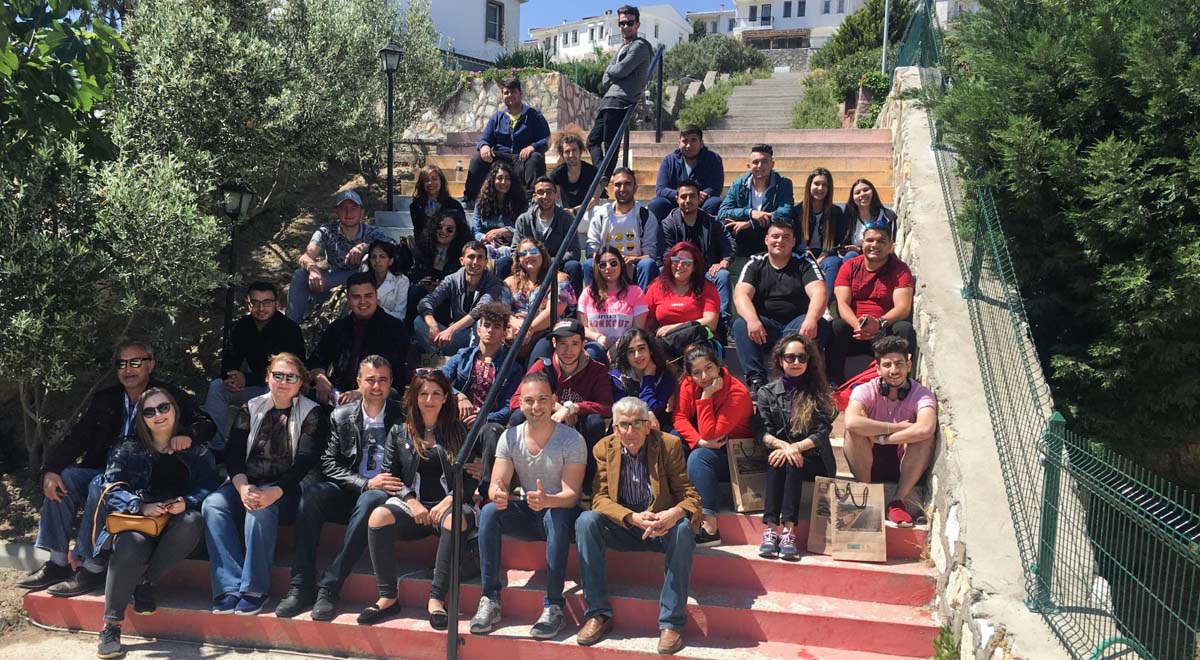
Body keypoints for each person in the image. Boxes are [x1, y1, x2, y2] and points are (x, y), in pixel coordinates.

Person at [19, 340, 215, 597]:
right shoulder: (106, 398)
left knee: (100, 484)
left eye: (135, 362)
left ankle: (92, 567)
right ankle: (57, 562)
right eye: (122, 364)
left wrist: (188, 435)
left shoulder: (167, 397)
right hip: (106, 468)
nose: (128, 369)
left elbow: (207, 424)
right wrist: (51, 469)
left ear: (150, 365)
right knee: (65, 478)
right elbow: (79, 436)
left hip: (143, 476)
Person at [92, 388, 220, 659]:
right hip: (139, 522)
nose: (158, 415)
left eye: (164, 408)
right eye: (149, 411)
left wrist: (187, 501)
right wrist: (139, 506)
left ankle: (145, 582)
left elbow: (210, 484)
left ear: (175, 409)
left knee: (192, 520)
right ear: (141, 418)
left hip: (177, 527)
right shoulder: (127, 448)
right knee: (130, 541)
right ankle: (111, 626)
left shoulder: (196, 450)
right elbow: (110, 487)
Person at [274, 356, 402, 621]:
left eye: (383, 380)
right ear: (358, 382)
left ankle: (330, 587)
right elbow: (328, 463)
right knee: (312, 495)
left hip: (386, 496)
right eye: (370, 380)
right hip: (352, 488)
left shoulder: (402, 416)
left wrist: (379, 486)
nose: (376, 386)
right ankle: (301, 584)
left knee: (371, 499)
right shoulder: (341, 415)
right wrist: (364, 483)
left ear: (391, 383)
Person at [202, 352, 325, 615]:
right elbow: (233, 454)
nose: (283, 382)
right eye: (277, 375)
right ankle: (228, 585)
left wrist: (274, 492)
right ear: (268, 377)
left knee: (260, 508)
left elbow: (304, 462)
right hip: (248, 483)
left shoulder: (311, 413)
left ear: (301, 381)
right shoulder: (250, 407)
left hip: (289, 489)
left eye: (291, 377)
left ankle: (254, 589)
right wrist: (242, 486)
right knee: (213, 505)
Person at [574, 396, 699, 655]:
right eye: (623, 425)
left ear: (648, 425)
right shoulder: (603, 448)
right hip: (624, 525)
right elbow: (599, 498)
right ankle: (598, 613)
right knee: (586, 521)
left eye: (636, 424)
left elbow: (690, 496)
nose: (630, 431)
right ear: (615, 428)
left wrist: (673, 514)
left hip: (659, 526)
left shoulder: (668, 445)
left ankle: (672, 623)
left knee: (683, 529)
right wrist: (631, 517)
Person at [469, 372, 586, 639]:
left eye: (543, 400)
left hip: (562, 514)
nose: (536, 407)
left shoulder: (571, 439)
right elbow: (496, 484)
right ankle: (490, 599)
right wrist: (498, 494)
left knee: (556, 515)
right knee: (489, 512)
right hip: (531, 509)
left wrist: (548, 500)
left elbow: (571, 495)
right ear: (520, 404)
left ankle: (554, 605)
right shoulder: (510, 437)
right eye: (529, 400)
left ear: (554, 401)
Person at [361, 370, 480, 630]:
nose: (429, 400)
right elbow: (391, 475)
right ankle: (387, 597)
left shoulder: (460, 431)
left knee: (454, 520)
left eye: (436, 394)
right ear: (414, 397)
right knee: (378, 515)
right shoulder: (399, 431)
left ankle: (436, 599)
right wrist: (411, 501)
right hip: (412, 505)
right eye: (423, 394)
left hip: (450, 505)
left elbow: (471, 476)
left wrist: (449, 500)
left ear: (445, 397)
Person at [754, 334, 837, 560]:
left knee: (791, 461)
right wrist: (784, 447)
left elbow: (821, 433)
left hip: (814, 457)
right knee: (781, 460)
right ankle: (772, 530)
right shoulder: (767, 392)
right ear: (780, 360)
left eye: (802, 357)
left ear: (809, 361)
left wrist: (796, 448)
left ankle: (788, 531)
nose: (796, 362)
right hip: (781, 454)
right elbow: (762, 431)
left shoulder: (818, 392)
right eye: (790, 357)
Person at [509, 319, 614, 492]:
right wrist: (552, 405)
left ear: (583, 344)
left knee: (594, 422)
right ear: (554, 343)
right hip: (546, 426)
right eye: (563, 344)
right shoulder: (543, 366)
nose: (568, 350)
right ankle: (520, 479)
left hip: (578, 430)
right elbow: (516, 401)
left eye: (574, 344)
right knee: (518, 416)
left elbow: (607, 407)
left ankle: (587, 486)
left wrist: (575, 408)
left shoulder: (597, 369)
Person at [843, 336, 937, 527]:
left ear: (908, 365)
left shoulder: (921, 393)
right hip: (868, 460)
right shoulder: (866, 390)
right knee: (853, 432)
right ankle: (866, 495)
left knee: (925, 438)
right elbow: (851, 421)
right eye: (887, 365)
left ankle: (897, 502)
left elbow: (926, 427)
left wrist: (882, 438)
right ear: (878, 369)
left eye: (899, 364)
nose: (894, 370)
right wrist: (895, 427)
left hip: (904, 462)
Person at [206, 283, 306, 454]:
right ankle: (216, 448)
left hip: (282, 388)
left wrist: (247, 379)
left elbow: (291, 373)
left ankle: (267, 450)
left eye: (267, 302)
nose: (261, 308)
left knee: (277, 388)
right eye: (256, 303)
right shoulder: (240, 327)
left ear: (276, 304)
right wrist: (231, 379)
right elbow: (229, 360)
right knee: (217, 387)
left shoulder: (290, 330)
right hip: (254, 387)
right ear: (248, 304)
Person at [731, 220, 830, 392]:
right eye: (775, 236)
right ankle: (756, 382)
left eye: (786, 237)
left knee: (819, 324)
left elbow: (819, 292)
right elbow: (741, 295)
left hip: (797, 325)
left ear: (793, 242)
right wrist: (752, 320)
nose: (780, 241)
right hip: (764, 328)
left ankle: (801, 382)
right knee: (741, 324)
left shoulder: (805, 263)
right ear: (766, 240)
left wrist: (811, 318)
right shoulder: (755, 263)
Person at [674, 343, 752, 548]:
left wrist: (706, 396)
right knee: (672, 441)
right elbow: (679, 417)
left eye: (709, 368)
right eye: (697, 373)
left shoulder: (737, 392)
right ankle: (674, 505)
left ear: (719, 365)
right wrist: (698, 441)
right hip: (705, 442)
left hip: (734, 453)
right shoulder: (689, 383)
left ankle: (710, 528)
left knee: (699, 458)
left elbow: (713, 434)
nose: (704, 376)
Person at [443, 303, 524, 496]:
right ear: (478, 330)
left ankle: (488, 490)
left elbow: (511, 405)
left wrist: (485, 418)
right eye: (486, 325)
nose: (490, 331)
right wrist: (458, 395)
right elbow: (438, 381)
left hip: (488, 426)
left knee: (491, 430)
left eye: (496, 327)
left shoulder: (512, 367)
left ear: (504, 333)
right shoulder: (463, 356)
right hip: (460, 421)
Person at [828, 223, 917, 384]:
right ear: (862, 243)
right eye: (870, 240)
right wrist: (858, 326)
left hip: (884, 331)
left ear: (890, 245)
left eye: (881, 241)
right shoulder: (850, 266)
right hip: (855, 332)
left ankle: (900, 384)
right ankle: (833, 383)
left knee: (904, 328)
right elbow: (842, 304)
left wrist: (879, 323)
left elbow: (903, 307)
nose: (874, 245)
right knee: (836, 326)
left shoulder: (900, 270)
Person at [287, 190, 390, 322]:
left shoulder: (372, 232)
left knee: (367, 261)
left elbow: (393, 248)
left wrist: (367, 247)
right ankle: (291, 326)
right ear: (336, 211)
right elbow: (305, 256)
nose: (348, 213)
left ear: (361, 212)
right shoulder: (327, 231)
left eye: (353, 208)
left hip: (363, 284)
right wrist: (313, 269)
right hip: (334, 280)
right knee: (300, 275)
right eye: (343, 208)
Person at [308, 272, 409, 406]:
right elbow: (316, 360)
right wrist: (320, 378)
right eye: (356, 297)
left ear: (376, 295)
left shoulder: (394, 329)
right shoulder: (338, 328)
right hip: (338, 396)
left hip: (376, 398)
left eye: (368, 296)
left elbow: (397, 380)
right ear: (348, 299)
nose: (362, 302)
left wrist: (362, 392)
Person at [588, 5, 652, 179]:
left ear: (637, 24)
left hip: (621, 101)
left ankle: (603, 177)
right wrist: (613, 71)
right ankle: (601, 176)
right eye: (622, 23)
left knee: (610, 145)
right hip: (608, 100)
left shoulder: (640, 47)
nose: (625, 26)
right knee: (592, 141)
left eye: (630, 22)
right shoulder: (622, 48)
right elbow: (605, 80)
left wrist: (611, 70)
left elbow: (621, 70)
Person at [464, 77, 550, 206]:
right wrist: (484, 146)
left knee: (535, 158)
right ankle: (470, 199)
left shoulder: (534, 116)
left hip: (522, 159)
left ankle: (531, 200)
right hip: (501, 160)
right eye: (506, 93)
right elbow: (484, 140)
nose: (509, 95)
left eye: (513, 92)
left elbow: (546, 140)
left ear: (520, 93)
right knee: (477, 158)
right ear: (502, 95)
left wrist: (532, 147)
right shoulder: (497, 118)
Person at [660, 180, 734, 325]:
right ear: (677, 198)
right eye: (683, 197)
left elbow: (729, 242)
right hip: (679, 270)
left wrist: (725, 261)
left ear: (699, 198)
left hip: (706, 271)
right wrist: (682, 267)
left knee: (722, 275)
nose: (688, 200)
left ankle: (724, 324)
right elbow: (666, 254)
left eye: (692, 196)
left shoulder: (711, 222)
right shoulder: (668, 224)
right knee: (661, 271)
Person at [416, 241, 506, 357]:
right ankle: (438, 358)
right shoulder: (452, 279)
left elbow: (480, 310)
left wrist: (451, 330)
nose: (475, 262)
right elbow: (426, 301)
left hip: (478, 337)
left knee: (481, 320)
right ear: (462, 261)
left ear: (486, 262)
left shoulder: (493, 283)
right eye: (471, 257)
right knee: (419, 322)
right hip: (455, 336)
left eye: (480, 257)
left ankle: (472, 362)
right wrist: (433, 326)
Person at [584, 167, 660, 291]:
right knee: (589, 264)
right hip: (607, 265)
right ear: (612, 188)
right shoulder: (601, 214)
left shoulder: (645, 216)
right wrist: (607, 260)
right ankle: (593, 300)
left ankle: (642, 302)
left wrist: (634, 259)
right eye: (618, 185)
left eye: (627, 184)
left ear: (635, 187)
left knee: (648, 264)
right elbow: (592, 246)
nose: (622, 189)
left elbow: (649, 253)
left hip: (634, 266)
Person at [503, 237, 577, 364]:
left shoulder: (558, 279)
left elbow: (555, 310)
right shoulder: (509, 282)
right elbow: (501, 310)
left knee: (539, 357)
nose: (528, 256)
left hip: (545, 332)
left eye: (533, 251)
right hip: (514, 331)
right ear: (518, 259)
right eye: (523, 253)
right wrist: (516, 323)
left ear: (542, 254)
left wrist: (529, 328)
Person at [644, 241, 720, 360]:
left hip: (698, 344)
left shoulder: (706, 288)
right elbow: (648, 323)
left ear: (694, 267)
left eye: (687, 263)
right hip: (666, 345)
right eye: (676, 260)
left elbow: (711, 322)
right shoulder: (656, 287)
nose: (680, 265)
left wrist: (675, 328)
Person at [718, 144, 794, 257]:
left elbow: (785, 212)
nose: (760, 166)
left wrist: (751, 223)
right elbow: (723, 212)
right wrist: (750, 213)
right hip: (743, 234)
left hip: (768, 231)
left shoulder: (783, 184)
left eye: (764, 162)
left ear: (772, 164)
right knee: (725, 225)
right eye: (755, 162)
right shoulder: (738, 184)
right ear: (749, 165)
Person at [512, 176, 584, 294]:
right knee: (504, 262)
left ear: (556, 195)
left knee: (574, 266)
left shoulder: (566, 219)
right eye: (540, 192)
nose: (545, 196)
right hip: (529, 264)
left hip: (557, 265)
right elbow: (515, 249)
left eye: (549, 192)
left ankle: (573, 305)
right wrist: (531, 261)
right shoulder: (523, 220)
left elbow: (574, 252)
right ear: (534, 196)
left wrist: (547, 261)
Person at [579, 245, 648, 364]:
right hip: (596, 347)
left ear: (621, 264)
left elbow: (637, 329)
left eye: (613, 263)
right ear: (597, 269)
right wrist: (598, 337)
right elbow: (582, 328)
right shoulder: (588, 293)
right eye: (603, 265)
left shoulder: (636, 292)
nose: (608, 267)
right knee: (592, 352)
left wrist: (618, 345)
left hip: (627, 346)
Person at [647, 125, 725, 221]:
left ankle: (705, 230)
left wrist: (696, 197)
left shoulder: (714, 159)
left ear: (701, 143)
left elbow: (715, 187)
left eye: (693, 140)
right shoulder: (669, 161)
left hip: (701, 203)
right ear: (679, 143)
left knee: (715, 202)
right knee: (657, 204)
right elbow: (660, 190)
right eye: (685, 141)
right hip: (675, 203)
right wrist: (683, 196)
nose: (689, 145)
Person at [408, 212, 473, 321]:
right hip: (423, 294)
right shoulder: (423, 249)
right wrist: (422, 282)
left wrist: (444, 286)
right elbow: (413, 275)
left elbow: (464, 282)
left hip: (448, 299)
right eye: (440, 227)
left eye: (449, 229)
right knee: (415, 291)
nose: (443, 231)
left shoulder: (461, 255)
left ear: (457, 233)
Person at [609, 328, 676, 433]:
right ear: (625, 355)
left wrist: (648, 378)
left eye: (641, 349)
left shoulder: (664, 375)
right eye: (631, 351)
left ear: (650, 350)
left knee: (675, 437)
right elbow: (624, 411)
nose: (637, 355)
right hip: (626, 428)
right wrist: (647, 412)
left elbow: (656, 409)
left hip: (656, 426)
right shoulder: (617, 377)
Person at [795, 167, 847, 298]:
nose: (820, 188)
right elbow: (795, 242)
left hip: (826, 255)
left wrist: (821, 259)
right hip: (802, 255)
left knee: (834, 262)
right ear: (809, 185)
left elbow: (837, 243)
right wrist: (812, 260)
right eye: (816, 184)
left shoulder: (836, 212)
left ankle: (824, 304)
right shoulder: (797, 211)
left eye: (825, 185)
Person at [471, 160, 525, 273]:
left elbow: (525, 230)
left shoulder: (520, 203)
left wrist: (506, 231)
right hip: (488, 246)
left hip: (511, 246)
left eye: (507, 178)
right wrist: (485, 237)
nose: (504, 182)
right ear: (493, 180)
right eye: (499, 178)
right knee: (486, 251)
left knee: (505, 252)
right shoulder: (481, 203)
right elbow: (476, 230)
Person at [548, 132, 601, 215]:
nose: (571, 155)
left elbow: (595, 199)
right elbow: (556, 199)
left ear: (580, 151)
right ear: (562, 154)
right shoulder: (557, 174)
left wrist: (575, 211)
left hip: (588, 211)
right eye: (567, 152)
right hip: (567, 214)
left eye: (574, 150)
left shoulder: (592, 171)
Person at [410, 164, 468, 240]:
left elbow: (462, 232)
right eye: (426, 180)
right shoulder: (416, 206)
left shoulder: (454, 206)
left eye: (434, 179)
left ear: (441, 181)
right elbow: (418, 233)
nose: (430, 183)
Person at [841, 178, 897, 255]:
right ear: (852, 198)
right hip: (856, 257)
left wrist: (861, 250)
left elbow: (890, 248)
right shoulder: (848, 218)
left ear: (873, 192)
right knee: (850, 255)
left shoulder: (888, 216)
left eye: (866, 190)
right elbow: (843, 247)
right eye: (857, 192)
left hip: (881, 256)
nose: (862, 194)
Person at [364, 240, 410, 322]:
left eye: (382, 257)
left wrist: (376, 310)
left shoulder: (401, 281)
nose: (377, 260)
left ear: (390, 261)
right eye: (374, 257)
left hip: (388, 324)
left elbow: (400, 315)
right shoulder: (363, 277)